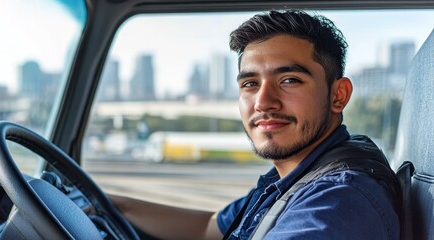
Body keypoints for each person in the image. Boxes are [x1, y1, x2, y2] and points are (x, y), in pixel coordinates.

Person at [110, 10, 400, 240]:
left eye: (289, 80)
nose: (263, 101)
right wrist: (110, 204)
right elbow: (208, 228)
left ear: (338, 95)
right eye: (250, 83)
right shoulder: (290, 178)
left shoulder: (335, 202)